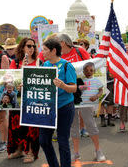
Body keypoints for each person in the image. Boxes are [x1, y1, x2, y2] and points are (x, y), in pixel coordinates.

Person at [39, 38, 76, 167]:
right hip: (48, 108)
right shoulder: (44, 65)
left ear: (53, 50)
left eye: (44, 50)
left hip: (64, 107)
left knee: (63, 141)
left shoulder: (67, 65)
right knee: (43, 140)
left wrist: (63, 86)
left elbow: (74, 88)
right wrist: (26, 86)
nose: (42, 52)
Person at [7, 37, 40, 163]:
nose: (31, 48)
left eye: (33, 46)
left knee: (31, 127)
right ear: (22, 47)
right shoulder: (15, 62)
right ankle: (19, 150)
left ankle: (31, 152)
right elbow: (10, 79)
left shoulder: (38, 62)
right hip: (19, 100)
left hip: (33, 100)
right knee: (17, 126)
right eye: (29, 46)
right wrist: (17, 83)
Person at [70, 62, 106, 162]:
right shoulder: (80, 80)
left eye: (91, 70)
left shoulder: (97, 81)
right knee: (74, 127)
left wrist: (96, 97)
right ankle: (76, 153)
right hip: (76, 105)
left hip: (88, 106)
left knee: (91, 125)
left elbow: (101, 90)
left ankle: (98, 150)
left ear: (94, 71)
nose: (88, 72)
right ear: (83, 71)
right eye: (86, 70)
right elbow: (75, 90)